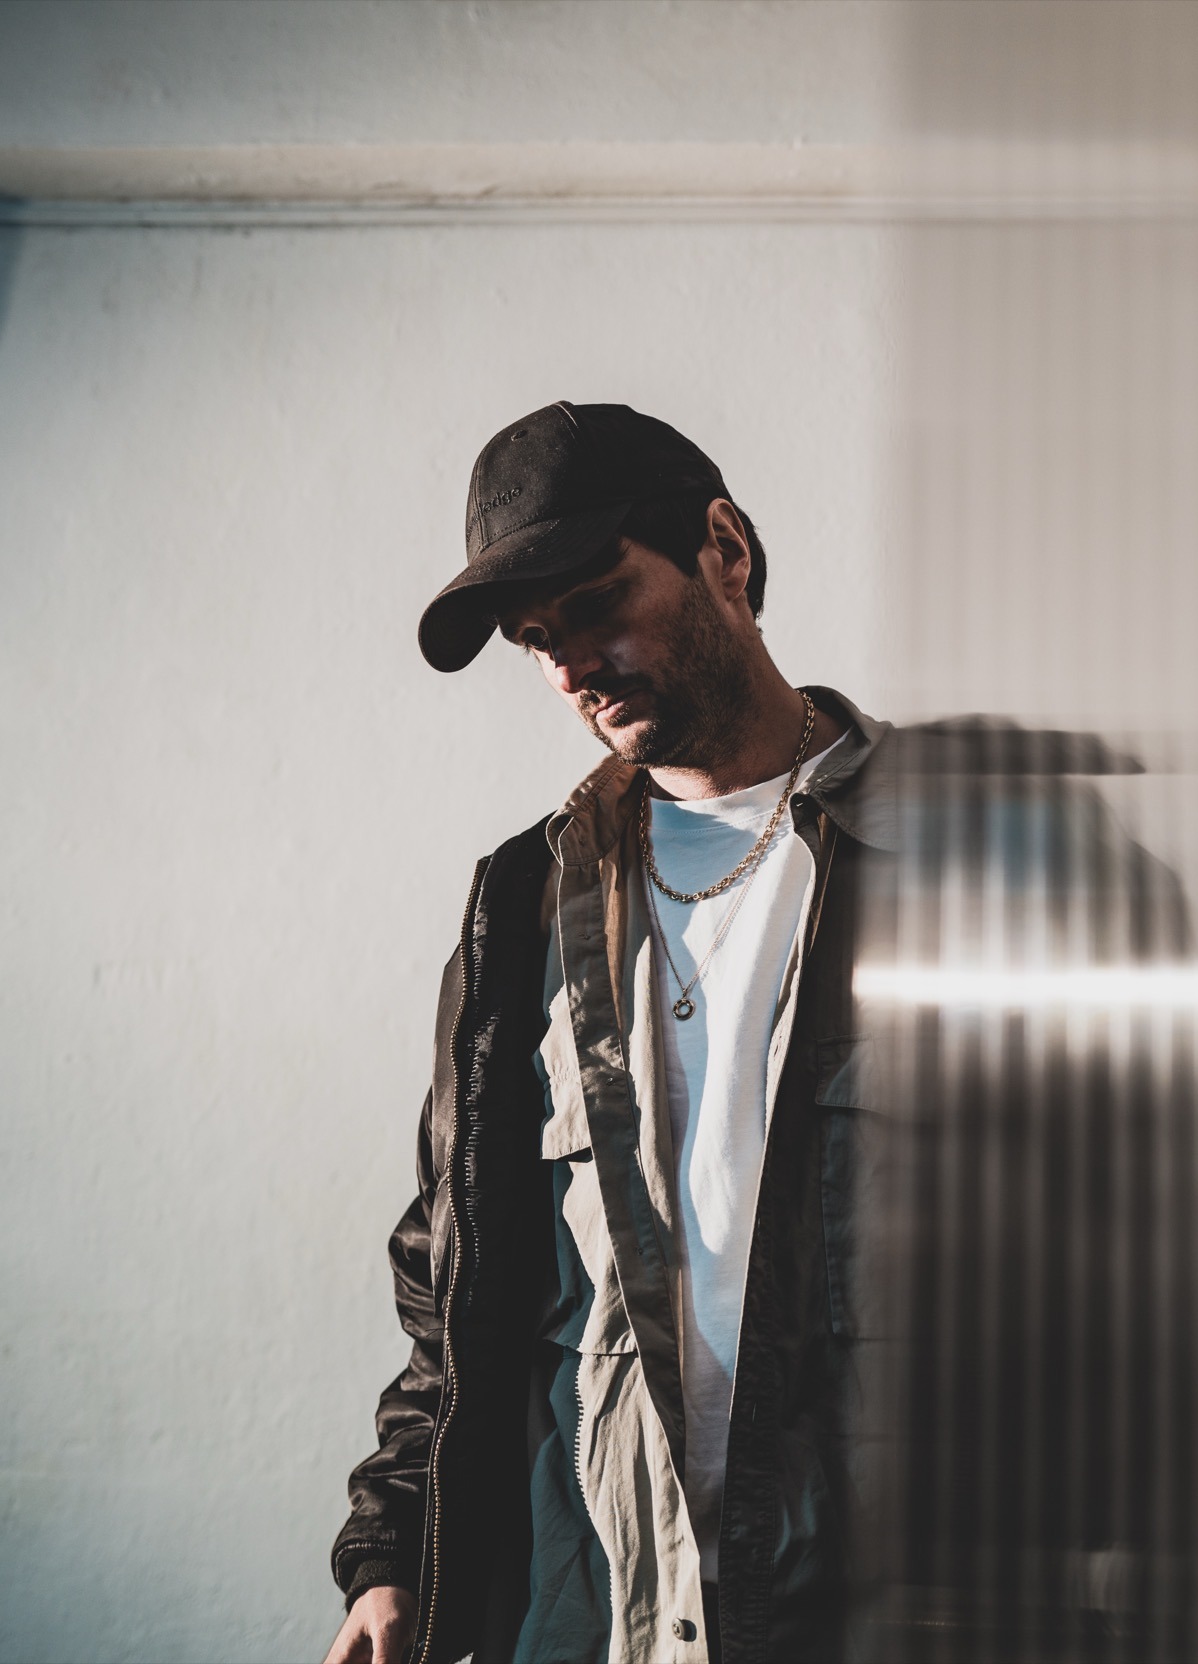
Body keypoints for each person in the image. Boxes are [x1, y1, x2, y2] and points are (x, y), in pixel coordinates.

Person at [323, 402, 884, 1664]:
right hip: (606, 1607)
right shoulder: (526, 901)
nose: (573, 663)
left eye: (595, 602)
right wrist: (395, 1551)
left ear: (724, 550)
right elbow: (454, 1277)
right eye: (539, 639)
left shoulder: (970, 862)